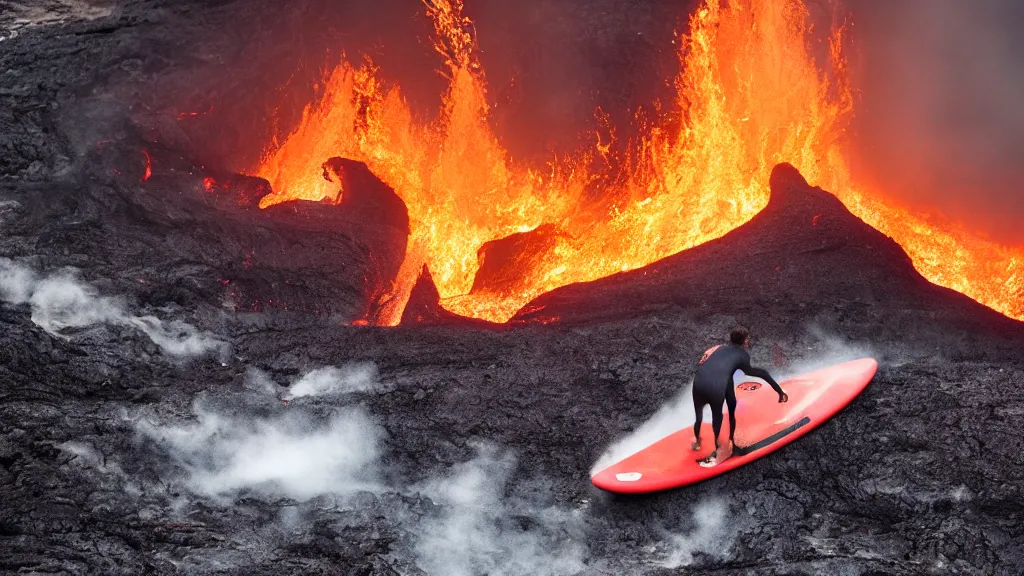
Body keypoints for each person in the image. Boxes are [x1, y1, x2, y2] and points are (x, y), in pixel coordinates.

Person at [691, 327, 788, 464]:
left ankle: (697, 442)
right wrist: (779, 391)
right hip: (715, 387)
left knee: (699, 415)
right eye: (748, 338)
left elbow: (704, 361)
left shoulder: (719, 348)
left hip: (698, 382)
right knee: (723, 415)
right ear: (745, 340)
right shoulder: (743, 356)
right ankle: (726, 448)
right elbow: (758, 373)